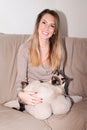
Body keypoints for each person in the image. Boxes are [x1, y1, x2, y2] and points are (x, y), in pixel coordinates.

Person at [16, 9, 67, 109]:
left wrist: (61, 92)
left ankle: (67, 100)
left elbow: (58, 79)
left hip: (51, 91)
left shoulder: (58, 51)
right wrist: (21, 95)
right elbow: (20, 79)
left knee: (62, 108)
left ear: (55, 31)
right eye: (44, 22)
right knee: (44, 112)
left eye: (52, 25)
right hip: (33, 92)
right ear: (37, 25)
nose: (47, 28)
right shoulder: (25, 48)